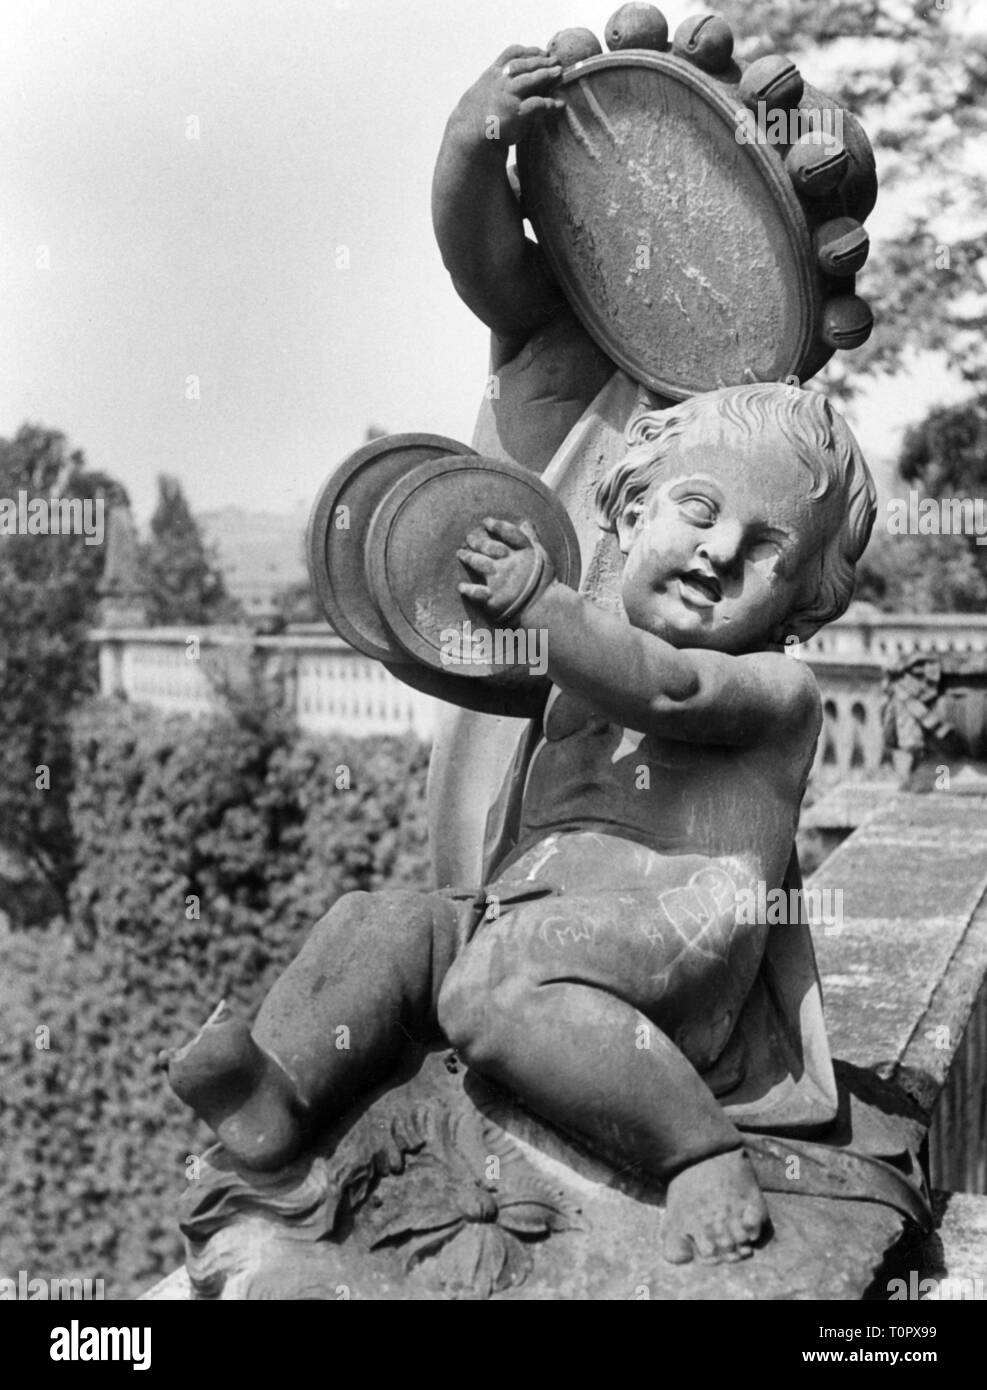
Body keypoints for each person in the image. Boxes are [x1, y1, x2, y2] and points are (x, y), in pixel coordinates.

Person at [168, 382, 876, 1266]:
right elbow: (509, 707)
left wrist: (543, 604)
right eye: (699, 508)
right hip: (533, 917)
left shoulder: (774, 691)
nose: (720, 551)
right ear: (627, 510)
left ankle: (697, 1150)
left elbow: (663, 685)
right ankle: (279, 1094)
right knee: (381, 923)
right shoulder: (581, 672)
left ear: (803, 599)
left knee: (493, 990)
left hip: (669, 950)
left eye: (768, 548)